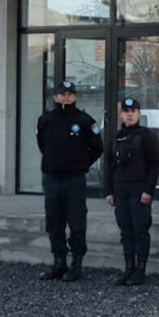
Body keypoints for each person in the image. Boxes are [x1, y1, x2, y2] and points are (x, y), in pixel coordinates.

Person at [35, 80, 103, 282]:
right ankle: (59, 263)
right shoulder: (45, 120)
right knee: (54, 222)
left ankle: (76, 264)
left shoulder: (84, 121)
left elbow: (97, 148)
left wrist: (81, 164)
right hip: (52, 179)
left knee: (76, 222)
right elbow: (42, 145)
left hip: (74, 180)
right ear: (55, 97)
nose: (66, 97)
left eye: (70, 94)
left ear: (75, 97)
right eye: (62, 94)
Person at [102, 97, 159, 286]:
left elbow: (155, 165)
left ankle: (140, 270)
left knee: (140, 230)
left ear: (139, 113)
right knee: (126, 231)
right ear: (121, 115)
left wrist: (148, 190)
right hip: (121, 190)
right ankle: (129, 268)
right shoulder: (116, 138)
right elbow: (108, 166)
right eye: (126, 111)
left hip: (139, 189)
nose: (129, 114)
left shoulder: (146, 136)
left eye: (133, 111)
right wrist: (108, 191)